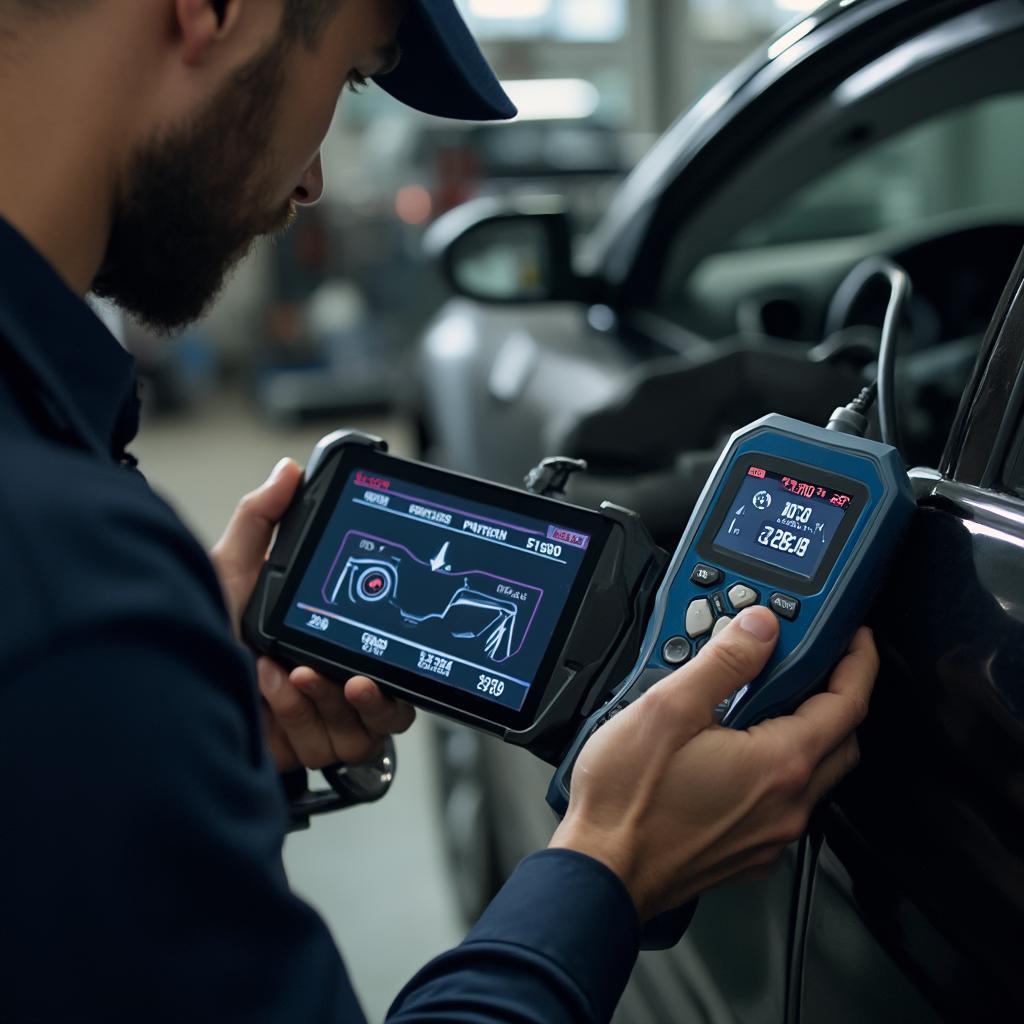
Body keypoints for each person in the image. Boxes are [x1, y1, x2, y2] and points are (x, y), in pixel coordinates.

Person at [0, 1, 877, 1021]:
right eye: (354, 76)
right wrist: (607, 865)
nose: (312, 181)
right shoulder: (63, 584)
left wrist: (164, 753)